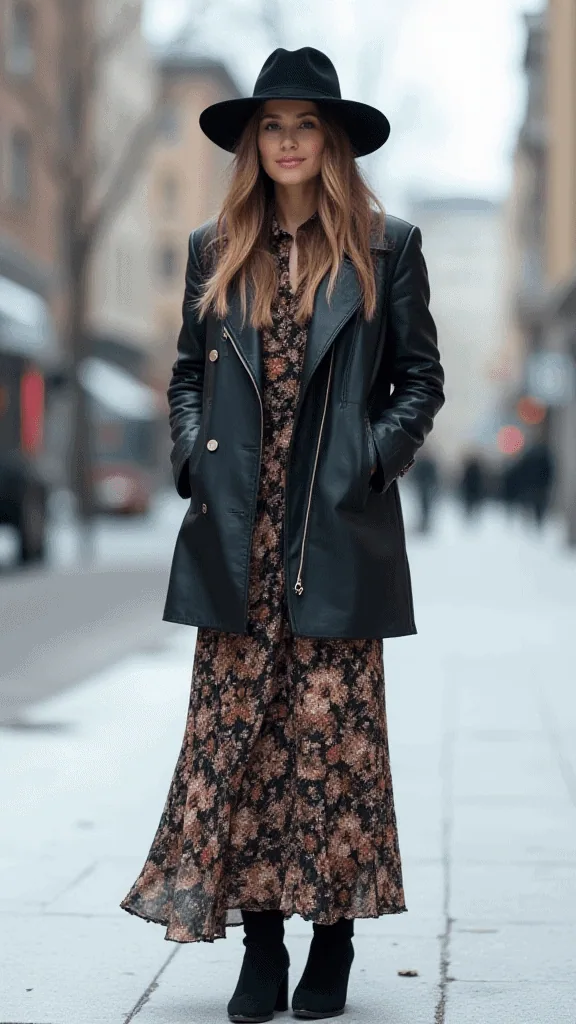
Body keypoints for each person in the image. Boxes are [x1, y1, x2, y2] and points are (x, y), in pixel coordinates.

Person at [120, 46, 445, 1022]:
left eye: (307, 126)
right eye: (273, 126)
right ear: (252, 143)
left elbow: (419, 380)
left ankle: (332, 944)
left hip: (333, 541)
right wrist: (190, 459)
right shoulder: (214, 250)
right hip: (237, 542)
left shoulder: (389, 248)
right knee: (244, 752)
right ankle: (260, 947)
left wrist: (366, 462)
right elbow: (187, 375)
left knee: (330, 752)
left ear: (333, 142)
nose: (290, 142)